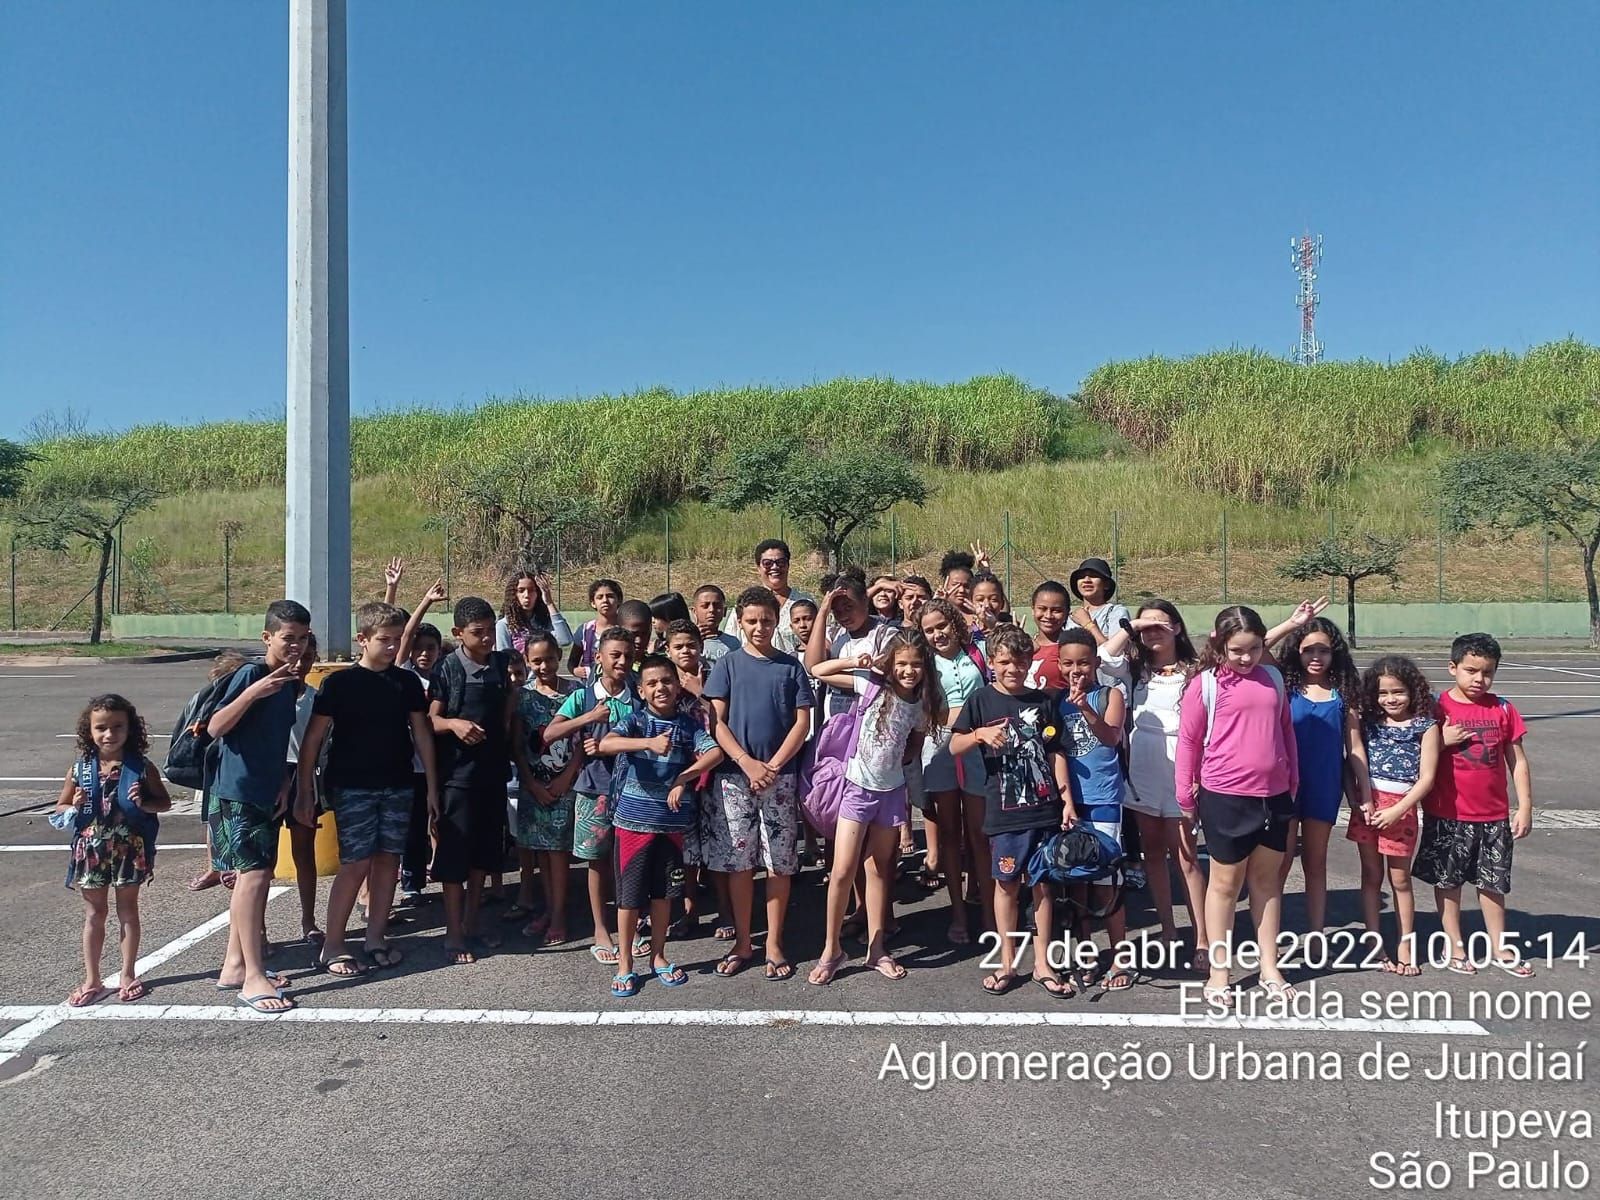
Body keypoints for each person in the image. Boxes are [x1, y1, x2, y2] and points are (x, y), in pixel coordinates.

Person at [298, 603, 438, 976]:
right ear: (362, 639)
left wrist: (433, 786)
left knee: (389, 860)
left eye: (397, 639)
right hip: (352, 786)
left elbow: (422, 734)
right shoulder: (338, 683)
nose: (393, 647)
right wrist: (304, 789)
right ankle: (333, 944)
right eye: (384, 640)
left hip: (398, 783)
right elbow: (312, 739)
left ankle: (376, 937)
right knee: (356, 862)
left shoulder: (407, 682)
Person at [1175, 605, 1299, 1005]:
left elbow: (1285, 731)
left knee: (1267, 883)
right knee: (1225, 886)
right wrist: (1185, 795)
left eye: (1255, 649)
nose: (1247, 658)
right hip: (1225, 799)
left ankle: (1269, 967)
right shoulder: (1205, 684)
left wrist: (1292, 778)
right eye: (1237, 651)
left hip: (1274, 798)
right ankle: (1219, 973)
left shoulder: (1273, 678)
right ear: (1219, 646)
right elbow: (1188, 742)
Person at [806, 630, 941, 984]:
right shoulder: (871, 685)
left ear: (925, 667)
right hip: (856, 789)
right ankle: (831, 949)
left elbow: (915, 744)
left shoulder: (921, 705)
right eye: (902, 663)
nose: (909, 671)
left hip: (891, 793)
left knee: (880, 870)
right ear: (891, 663)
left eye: (916, 664)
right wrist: (856, 662)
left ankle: (877, 948)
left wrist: (900, 759)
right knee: (842, 870)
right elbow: (818, 670)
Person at [950, 626, 1072, 998]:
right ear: (991, 662)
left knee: (1043, 886)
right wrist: (979, 735)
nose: (1012, 669)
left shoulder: (1043, 701)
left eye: (1019, 662)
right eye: (1004, 661)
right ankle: (1006, 962)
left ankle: (1043, 963)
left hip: (1044, 810)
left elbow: (1056, 751)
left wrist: (1066, 799)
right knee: (1006, 885)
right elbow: (954, 745)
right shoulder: (980, 701)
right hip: (1004, 814)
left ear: (1029, 662)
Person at [704, 585, 814, 978]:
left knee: (779, 863)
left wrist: (772, 767)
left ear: (776, 620)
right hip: (735, 779)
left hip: (780, 780)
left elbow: (802, 722)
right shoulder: (727, 666)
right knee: (740, 863)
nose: (759, 627)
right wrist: (747, 763)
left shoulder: (791, 667)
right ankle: (743, 940)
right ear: (740, 621)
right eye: (751, 621)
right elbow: (716, 721)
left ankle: (774, 943)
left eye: (766, 620)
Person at [598, 655, 724, 998]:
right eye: (652, 683)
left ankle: (658, 956)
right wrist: (648, 743)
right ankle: (625, 963)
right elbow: (606, 744)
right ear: (641, 690)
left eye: (666, 681)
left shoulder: (687, 725)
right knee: (629, 899)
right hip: (632, 824)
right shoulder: (636, 721)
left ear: (678, 685)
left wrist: (683, 778)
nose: (660, 688)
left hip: (670, 827)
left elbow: (714, 753)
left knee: (664, 895)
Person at [207, 600, 311, 1012]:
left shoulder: (290, 681)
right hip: (238, 791)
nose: (296, 646)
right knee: (252, 878)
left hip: (267, 790)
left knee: (257, 876)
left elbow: (276, 739)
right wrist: (253, 692)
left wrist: (284, 780)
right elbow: (216, 726)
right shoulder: (252, 674)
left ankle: (235, 965)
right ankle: (252, 976)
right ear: (267, 637)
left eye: (302, 639)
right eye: (288, 638)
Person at [1414, 632, 1534, 977]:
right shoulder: (1436, 708)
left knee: (1493, 883)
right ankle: (1454, 944)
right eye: (1471, 670)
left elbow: (1518, 762)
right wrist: (1442, 740)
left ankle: (1499, 946)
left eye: (1487, 672)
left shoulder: (1503, 709)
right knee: (1447, 882)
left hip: (1494, 816)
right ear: (1453, 668)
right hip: (1447, 814)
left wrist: (1525, 805)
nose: (1479, 679)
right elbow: (1418, 756)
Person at [1098, 601, 1209, 971]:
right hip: (1142, 767)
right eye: (1146, 627)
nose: (1153, 632)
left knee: (1187, 858)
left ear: (1177, 627)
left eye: (1160, 624)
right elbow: (1103, 657)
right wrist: (1135, 626)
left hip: (1182, 766)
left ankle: (1203, 938)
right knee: (1154, 854)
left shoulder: (1196, 670)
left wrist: (1197, 776)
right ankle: (1168, 929)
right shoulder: (1134, 668)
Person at [56, 694, 171, 1006]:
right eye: (101, 727)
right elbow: (60, 807)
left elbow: (164, 802)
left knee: (127, 911)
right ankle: (92, 978)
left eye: (118, 726)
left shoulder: (141, 768)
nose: (109, 734)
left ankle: (128, 974)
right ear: (89, 731)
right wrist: (73, 805)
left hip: (128, 848)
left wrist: (144, 803)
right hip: (90, 849)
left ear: (130, 729)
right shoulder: (79, 769)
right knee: (95, 913)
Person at [428, 596, 522, 965]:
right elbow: (430, 720)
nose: (486, 639)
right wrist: (454, 724)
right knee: (455, 857)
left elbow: (508, 707)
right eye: (477, 632)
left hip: (492, 774)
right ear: (458, 633)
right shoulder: (448, 668)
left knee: (484, 854)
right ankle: (453, 933)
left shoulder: (500, 664)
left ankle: (472, 922)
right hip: (458, 779)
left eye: (489, 632)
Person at [543, 627, 642, 964]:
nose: (622, 661)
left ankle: (629, 924)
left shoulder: (638, 696)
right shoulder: (583, 697)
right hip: (593, 789)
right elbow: (550, 732)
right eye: (615, 655)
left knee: (627, 860)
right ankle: (601, 929)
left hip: (633, 791)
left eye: (628, 655)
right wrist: (589, 718)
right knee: (597, 860)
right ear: (598, 657)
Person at [1270, 613, 1369, 935]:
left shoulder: (1343, 692)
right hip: (1284, 787)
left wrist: (1365, 793)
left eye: (1323, 650)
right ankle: (1269, 935)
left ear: (1334, 653)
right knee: (1279, 863)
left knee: (1315, 862)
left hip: (1324, 787)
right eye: (1308, 649)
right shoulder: (1283, 684)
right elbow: (1259, 646)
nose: (1316, 657)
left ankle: (1315, 935)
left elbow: (1354, 746)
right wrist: (1292, 624)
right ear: (1296, 650)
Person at [1350, 655, 1439, 976]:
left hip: (1401, 810)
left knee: (1400, 880)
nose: (1391, 699)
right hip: (1369, 809)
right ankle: (1375, 944)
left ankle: (1405, 945)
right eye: (1383, 693)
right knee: (1371, 876)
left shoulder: (1426, 726)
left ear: (1413, 691)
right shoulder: (1368, 724)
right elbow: (1351, 763)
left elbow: (1427, 778)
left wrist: (1399, 810)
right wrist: (1360, 801)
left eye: (1398, 691)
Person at [1053, 628, 1131, 992]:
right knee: (1076, 881)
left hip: (1103, 800)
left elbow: (1111, 737)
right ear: (1058, 664)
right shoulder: (1055, 701)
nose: (1076, 671)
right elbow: (1055, 752)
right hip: (1070, 802)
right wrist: (1064, 799)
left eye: (1083, 663)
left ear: (1096, 663)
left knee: (1105, 881)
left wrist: (1085, 707)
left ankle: (1120, 957)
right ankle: (1085, 955)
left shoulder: (1110, 695)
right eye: (1068, 664)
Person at [914, 598, 991, 942]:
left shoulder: (978, 652)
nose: (937, 634)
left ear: (955, 623)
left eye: (942, 626)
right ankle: (958, 914)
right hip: (938, 746)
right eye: (929, 630)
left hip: (977, 744)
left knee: (980, 833)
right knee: (949, 833)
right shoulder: (924, 662)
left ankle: (989, 912)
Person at [513, 630, 584, 945]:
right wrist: (531, 784)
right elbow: (517, 746)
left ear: (559, 656)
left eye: (550, 659)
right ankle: (549, 908)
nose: (544, 667)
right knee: (542, 851)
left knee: (558, 853)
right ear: (527, 661)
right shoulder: (522, 696)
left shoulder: (575, 692)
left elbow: (583, 741)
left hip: (565, 785)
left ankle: (558, 916)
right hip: (534, 787)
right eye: (537, 661)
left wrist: (567, 776)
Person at [662, 618, 716, 934]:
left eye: (691, 645)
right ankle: (686, 908)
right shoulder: (663, 679)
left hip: (714, 767)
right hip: (676, 772)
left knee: (713, 841)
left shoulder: (715, 674)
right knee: (683, 847)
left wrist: (700, 694)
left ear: (701, 646)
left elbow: (725, 717)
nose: (686, 651)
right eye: (678, 646)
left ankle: (722, 910)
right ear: (668, 649)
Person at [397, 579, 449, 901]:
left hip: (438, 761)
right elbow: (404, 635)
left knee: (439, 819)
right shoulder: (405, 675)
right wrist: (426, 601)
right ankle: (412, 883)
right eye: (420, 648)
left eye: (431, 648)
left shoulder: (444, 678)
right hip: (410, 765)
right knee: (413, 826)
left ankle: (442, 869)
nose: (425, 654)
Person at [281, 631, 324, 949]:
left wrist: (308, 785)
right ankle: (259, 930)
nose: (300, 663)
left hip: (303, 773)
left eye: (308, 657)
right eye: (297, 656)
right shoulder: (269, 693)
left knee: (304, 851)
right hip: (272, 773)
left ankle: (308, 920)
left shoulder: (315, 697)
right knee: (264, 857)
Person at [722, 539, 814, 653]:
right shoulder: (746, 605)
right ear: (758, 567)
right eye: (767, 563)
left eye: (780, 562)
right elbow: (731, 644)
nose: (775, 567)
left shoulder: (805, 602)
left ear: (788, 565)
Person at [497, 569, 573, 656]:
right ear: (514, 594)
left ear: (538, 593)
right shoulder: (505, 625)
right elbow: (504, 658)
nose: (527, 595)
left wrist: (549, 603)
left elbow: (565, 640)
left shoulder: (544, 621)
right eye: (521, 590)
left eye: (531, 590)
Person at [569, 578, 623, 681]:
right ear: (593, 603)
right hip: (590, 684)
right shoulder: (585, 630)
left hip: (620, 683)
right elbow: (572, 661)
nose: (605, 600)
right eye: (600, 597)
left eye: (610, 596)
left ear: (619, 600)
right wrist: (575, 670)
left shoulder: (625, 628)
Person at [1066, 557, 1130, 644]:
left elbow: (1117, 649)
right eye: (1081, 577)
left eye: (1093, 575)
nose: (1086, 580)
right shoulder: (1069, 618)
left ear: (1106, 584)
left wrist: (1087, 623)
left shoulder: (1115, 612)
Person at [1024, 580, 1072, 692]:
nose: (1048, 615)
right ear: (1033, 609)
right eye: (1042, 608)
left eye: (1056, 610)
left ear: (1067, 612)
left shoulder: (1071, 648)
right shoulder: (1024, 645)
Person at [692, 584, 741, 668]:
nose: (711, 610)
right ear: (694, 611)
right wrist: (694, 640)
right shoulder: (685, 641)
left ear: (724, 611)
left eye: (717, 606)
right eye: (705, 606)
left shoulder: (733, 643)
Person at [616, 598, 654, 666]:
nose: (639, 640)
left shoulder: (658, 666)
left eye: (644, 634)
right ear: (619, 630)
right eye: (633, 634)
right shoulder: (609, 666)